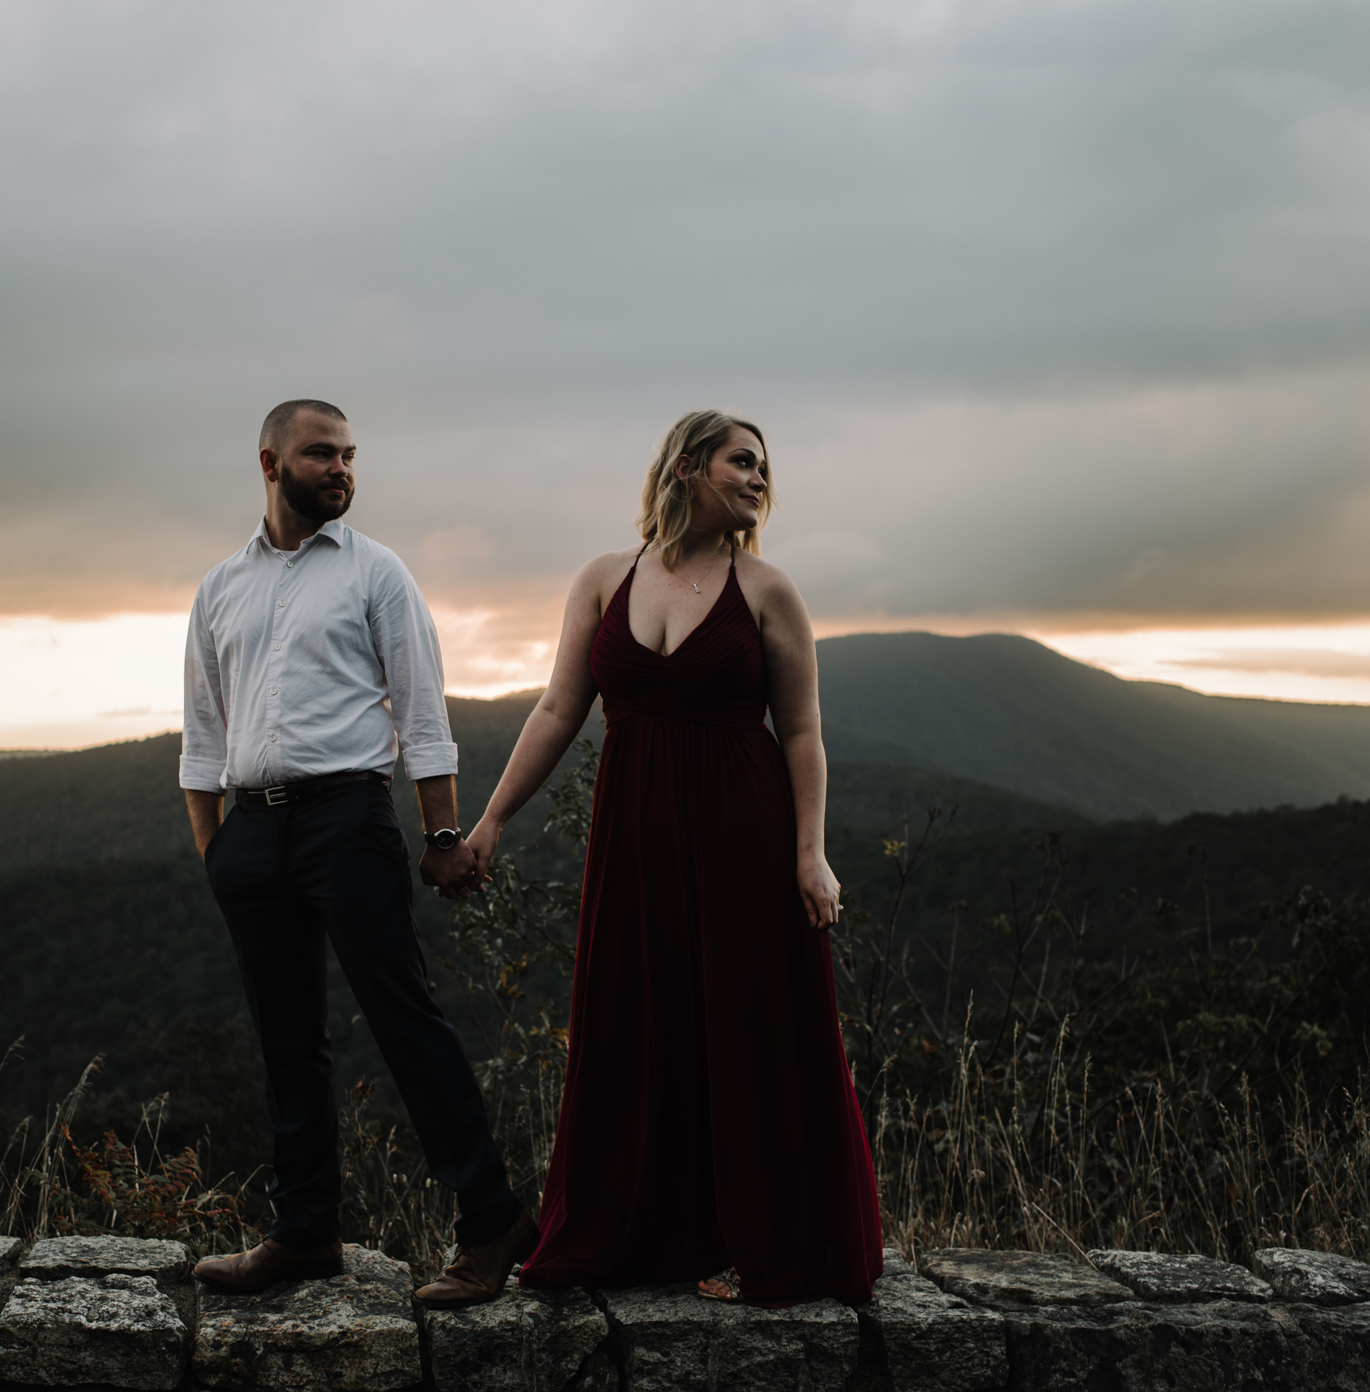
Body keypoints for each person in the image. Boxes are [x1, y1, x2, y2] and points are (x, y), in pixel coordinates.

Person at [466, 408, 884, 1306]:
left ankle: (764, 1242)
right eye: (742, 461)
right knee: (637, 1023)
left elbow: (803, 733)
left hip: (743, 832)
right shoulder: (601, 579)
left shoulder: (768, 588)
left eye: (764, 468)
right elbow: (555, 711)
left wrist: (810, 856)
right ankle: (646, 1236)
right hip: (633, 840)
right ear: (689, 466)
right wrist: (491, 822)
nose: (759, 479)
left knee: (745, 1030)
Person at [182, 399, 536, 1305]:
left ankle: (490, 1224)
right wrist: (215, 853)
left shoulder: (376, 573)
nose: (340, 469)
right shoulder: (220, 585)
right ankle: (303, 1234)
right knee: (285, 1040)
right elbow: (202, 732)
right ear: (270, 463)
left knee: (404, 1021)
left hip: (348, 818)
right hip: (250, 832)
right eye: (320, 454)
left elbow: (421, 713)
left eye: (348, 455)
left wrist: (442, 835)